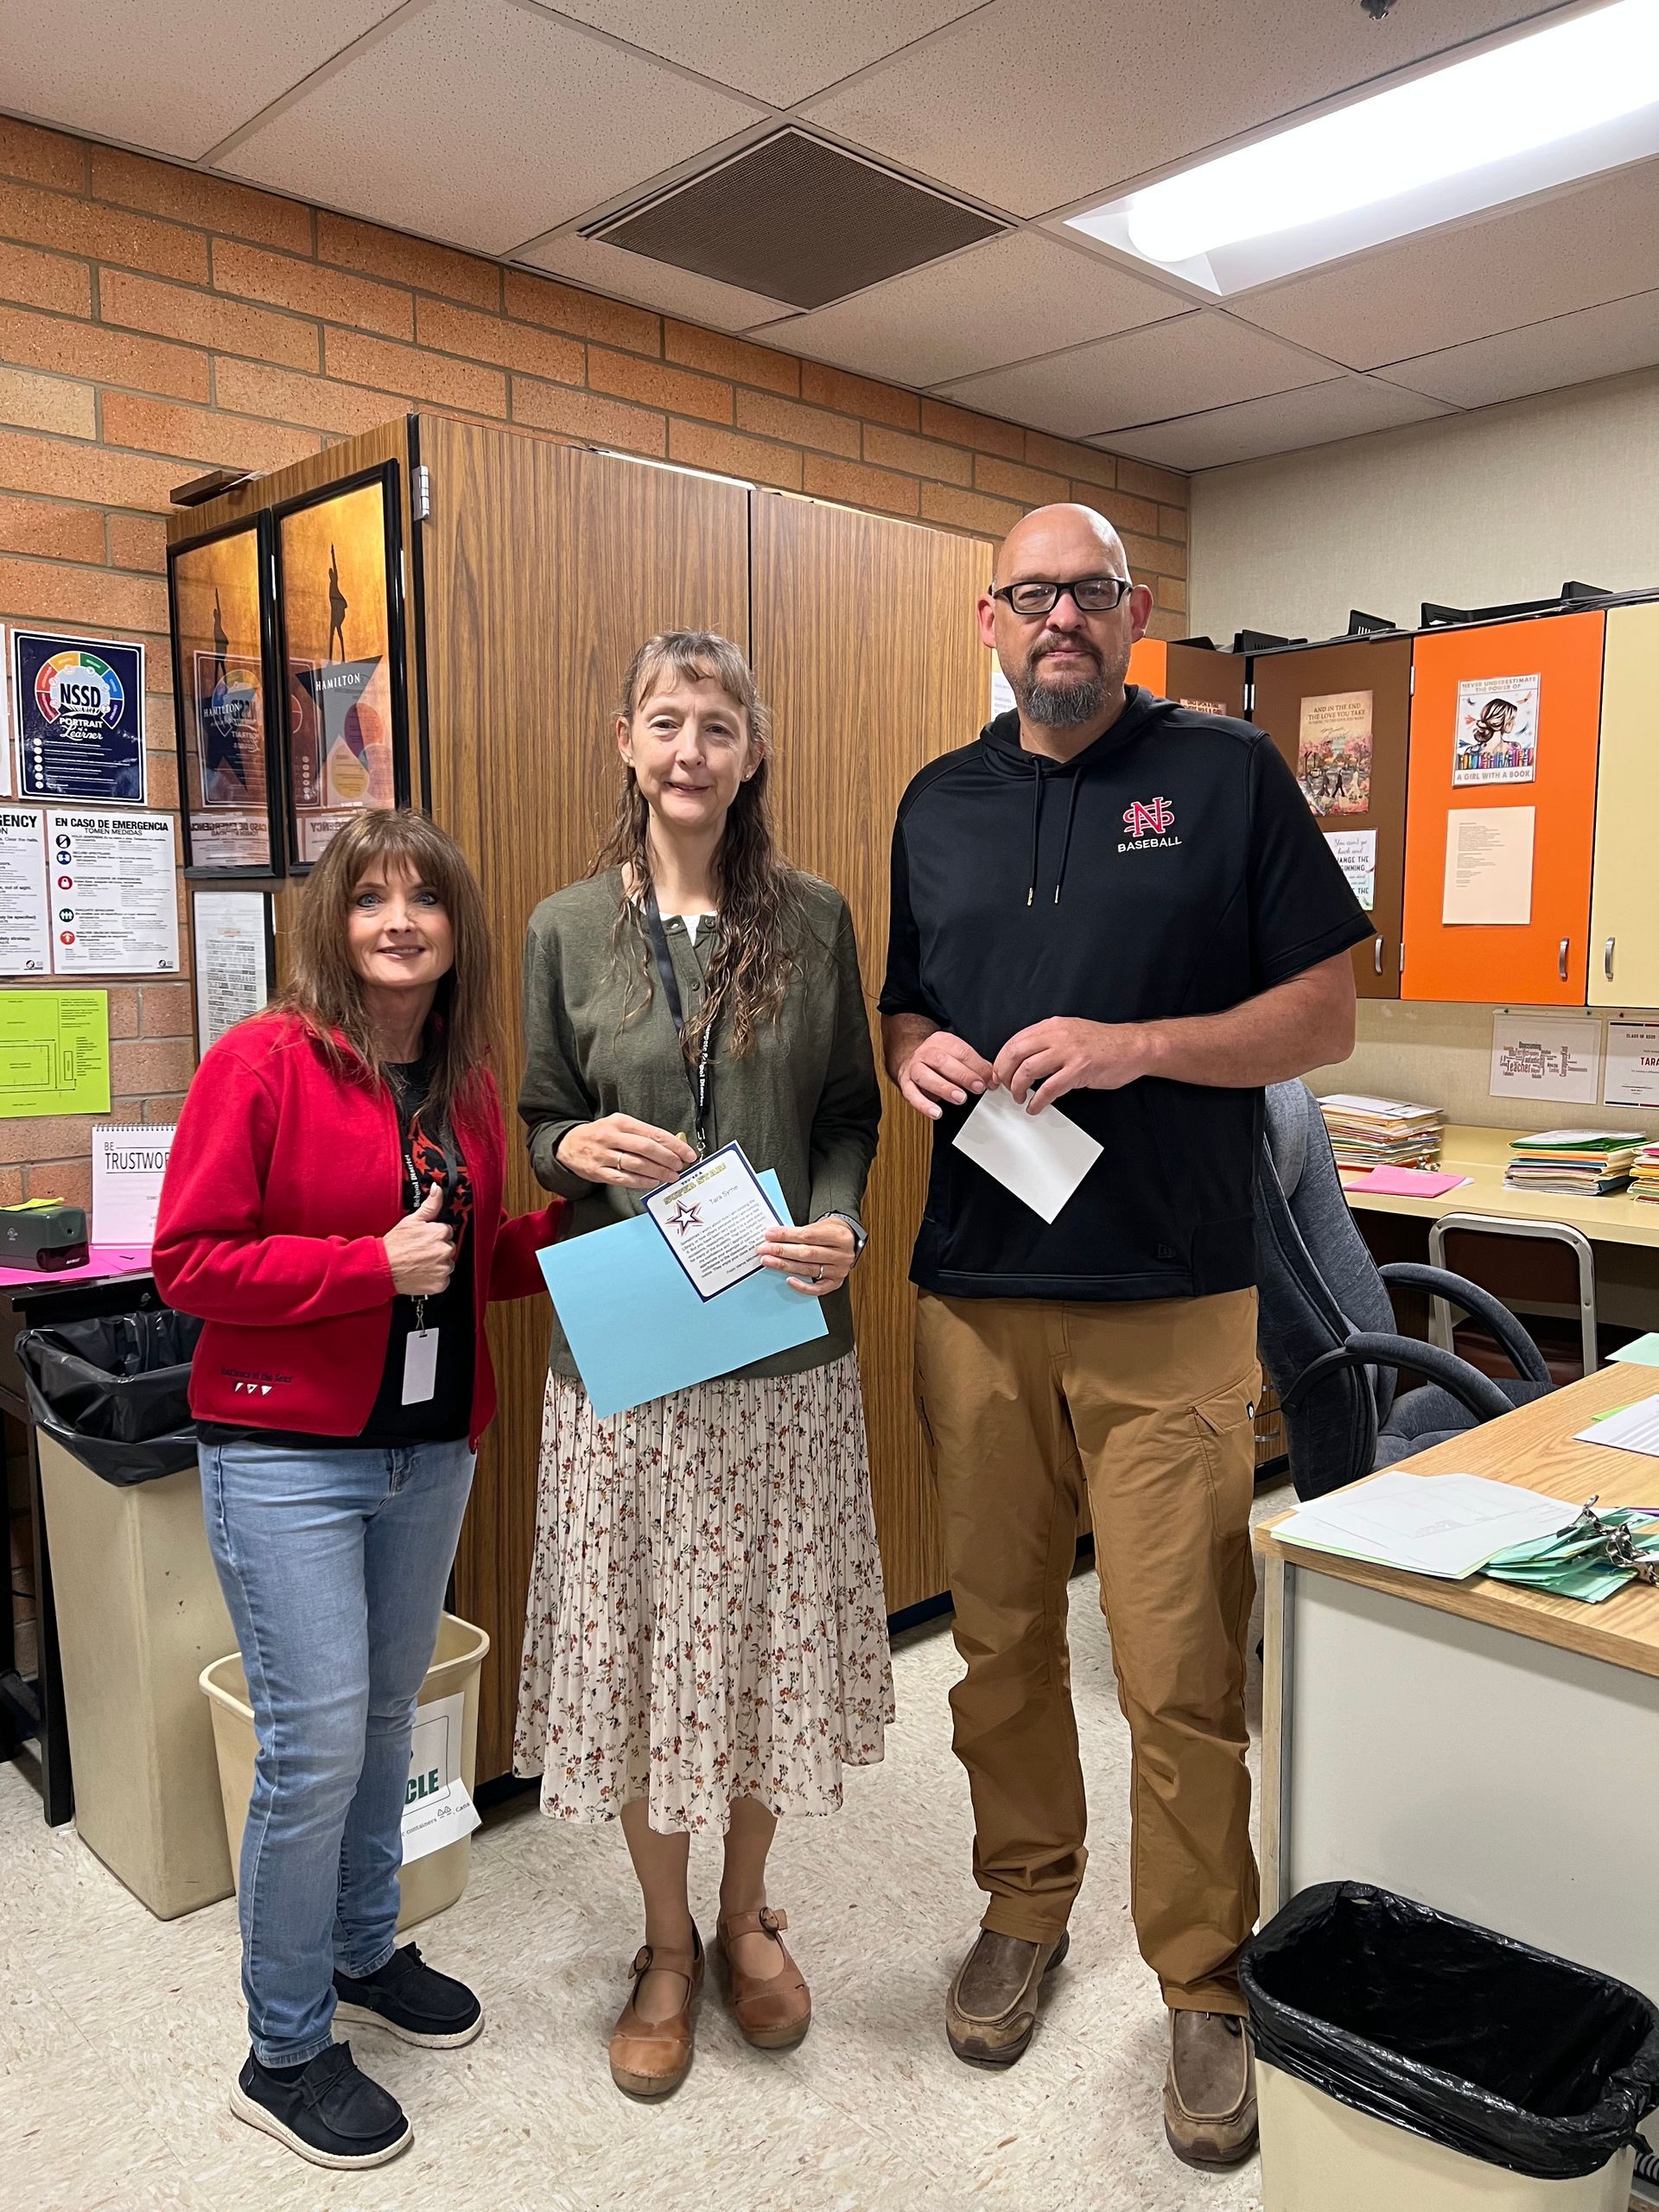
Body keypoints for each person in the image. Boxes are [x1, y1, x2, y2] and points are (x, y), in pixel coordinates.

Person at [879, 505, 1366, 2168]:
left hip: (1169, 1301)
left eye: (1088, 593)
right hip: (978, 1295)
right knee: (1000, 1642)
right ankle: (1024, 1910)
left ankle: (1206, 1984)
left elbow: (1323, 1011)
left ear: (1135, 609)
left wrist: (1144, 1043)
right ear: (992, 620)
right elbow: (903, 996)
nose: (1060, 619)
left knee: (1172, 1660)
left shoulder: (1224, 777)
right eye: (1032, 596)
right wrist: (917, 1053)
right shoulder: (935, 804)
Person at [153, 810, 567, 2172]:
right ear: (334, 923)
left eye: (425, 901)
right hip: (284, 1458)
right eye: (371, 898)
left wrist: (586, 1220)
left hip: (427, 1449)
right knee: (316, 1744)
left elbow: (479, 1264)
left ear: (457, 931)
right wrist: (359, 1270)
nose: (399, 920)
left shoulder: (463, 1082)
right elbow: (192, 1265)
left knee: (390, 1719)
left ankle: (361, 1949)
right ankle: (281, 2049)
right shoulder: (262, 1062)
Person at [514, 630, 890, 2100]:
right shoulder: (562, 930)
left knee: (755, 1657)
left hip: (778, 1359)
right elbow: (539, 1123)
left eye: (717, 727)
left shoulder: (814, 919)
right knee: (651, 1659)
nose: (690, 751)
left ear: (752, 750)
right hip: (626, 1366)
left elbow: (852, 1108)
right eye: (665, 724)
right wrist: (572, 1147)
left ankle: (744, 1922)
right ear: (626, 741)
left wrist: (845, 1212)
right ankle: (663, 1950)